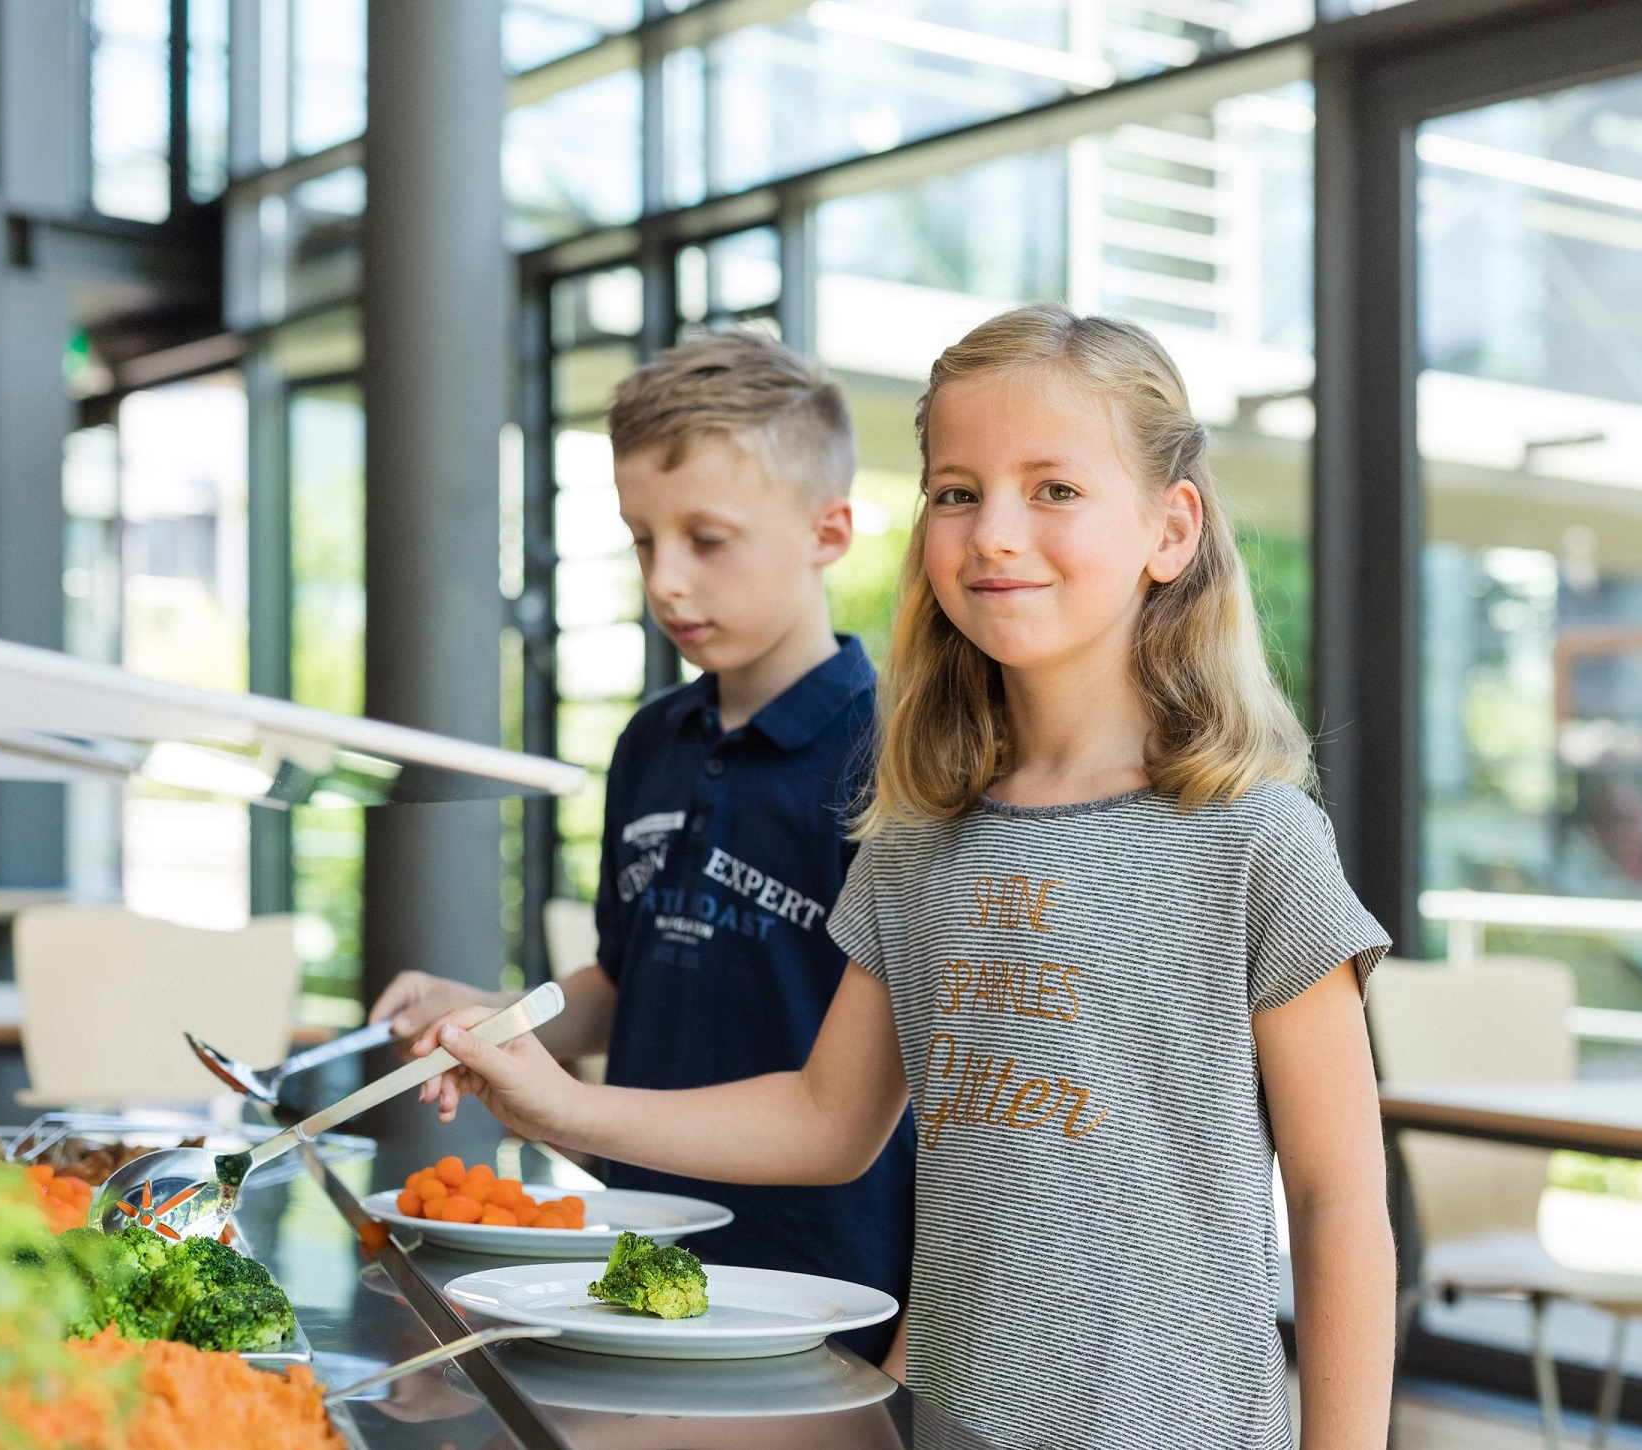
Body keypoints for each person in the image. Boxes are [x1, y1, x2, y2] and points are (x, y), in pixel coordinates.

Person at [406, 304, 1399, 1448]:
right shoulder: (916, 837)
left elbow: (1338, 1210)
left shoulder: (1260, 840)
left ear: (1170, 530)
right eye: (957, 491)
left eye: (1055, 490)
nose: (994, 534)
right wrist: (563, 1101)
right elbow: (830, 1119)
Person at [369, 329, 914, 1366]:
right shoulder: (649, 743)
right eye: (640, 539)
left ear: (830, 531)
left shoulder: (894, 759)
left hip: (819, 1281)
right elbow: (633, 975)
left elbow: (893, 1087)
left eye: (708, 539)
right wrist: (505, 1017)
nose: (666, 581)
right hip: (635, 1248)